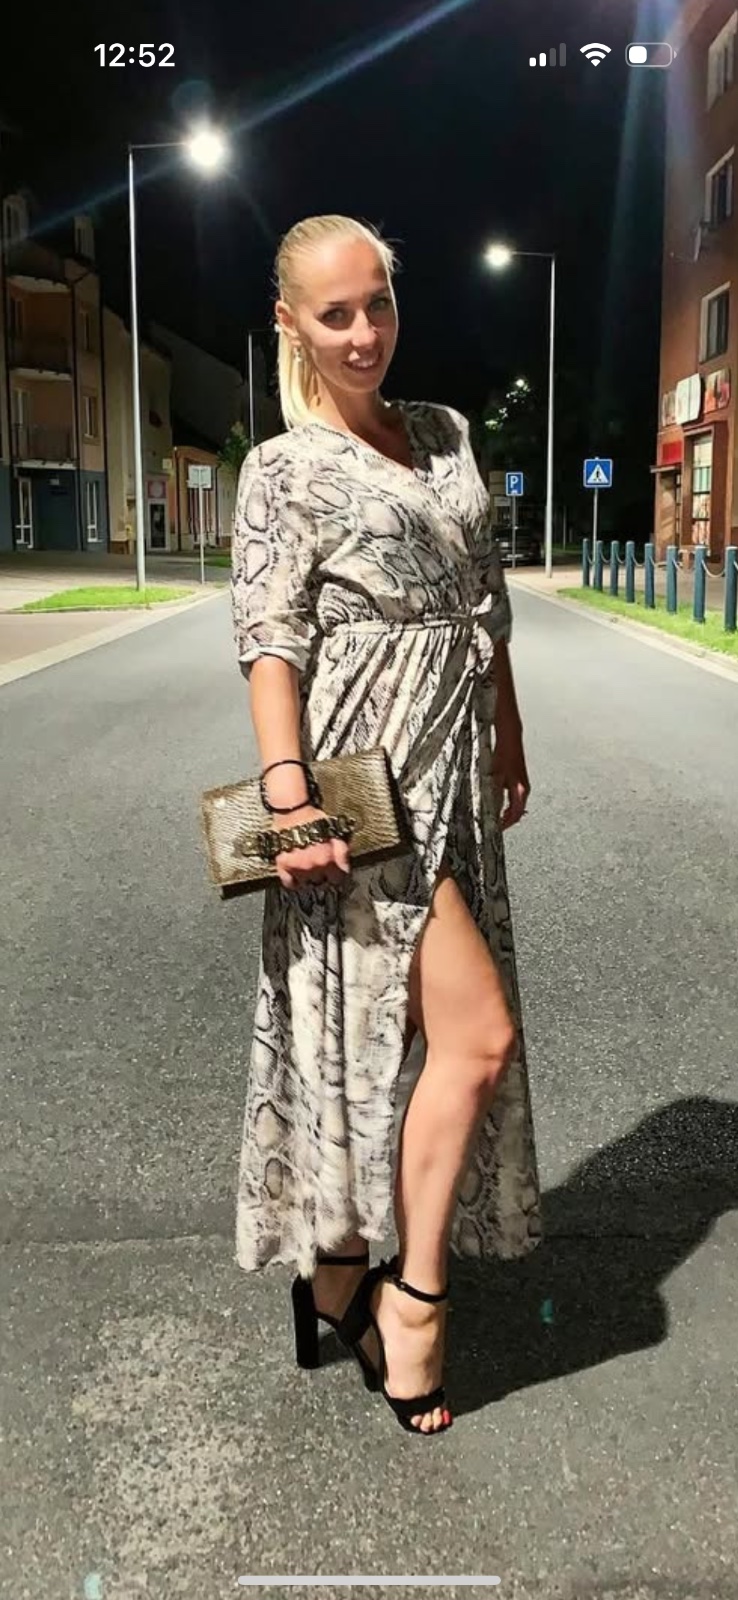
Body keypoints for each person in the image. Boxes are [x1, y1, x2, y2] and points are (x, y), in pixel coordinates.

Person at [230, 213, 542, 1437]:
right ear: (290, 324)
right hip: (367, 785)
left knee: (392, 1034)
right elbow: (270, 639)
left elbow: (487, 604)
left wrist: (508, 732)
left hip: (458, 770)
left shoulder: (448, 433)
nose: (365, 332)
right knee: (476, 1035)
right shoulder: (282, 468)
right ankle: (413, 1300)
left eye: (380, 303)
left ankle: (341, 1270)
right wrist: (288, 793)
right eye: (336, 313)